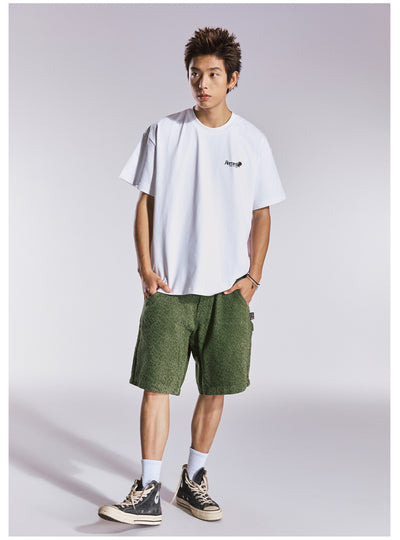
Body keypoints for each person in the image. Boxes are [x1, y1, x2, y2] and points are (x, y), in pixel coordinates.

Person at [98, 26, 286, 526]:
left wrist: (253, 278)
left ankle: (193, 480)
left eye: (213, 75)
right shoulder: (164, 132)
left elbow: (262, 213)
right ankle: (147, 490)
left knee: (215, 387)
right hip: (170, 289)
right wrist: (145, 268)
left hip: (227, 293)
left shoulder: (252, 141)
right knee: (155, 386)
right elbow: (145, 203)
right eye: (195, 74)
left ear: (233, 79)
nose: (202, 84)